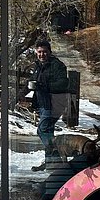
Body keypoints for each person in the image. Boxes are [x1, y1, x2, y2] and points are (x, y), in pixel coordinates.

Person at [30, 38, 70, 171]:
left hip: (54, 103)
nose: (42, 55)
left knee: (42, 130)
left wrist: (45, 86)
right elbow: (34, 84)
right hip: (42, 103)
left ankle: (56, 155)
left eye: (45, 52)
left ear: (50, 52)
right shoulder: (38, 66)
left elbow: (63, 83)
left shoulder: (57, 65)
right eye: (39, 52)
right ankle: (51, 163)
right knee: (49, 131)